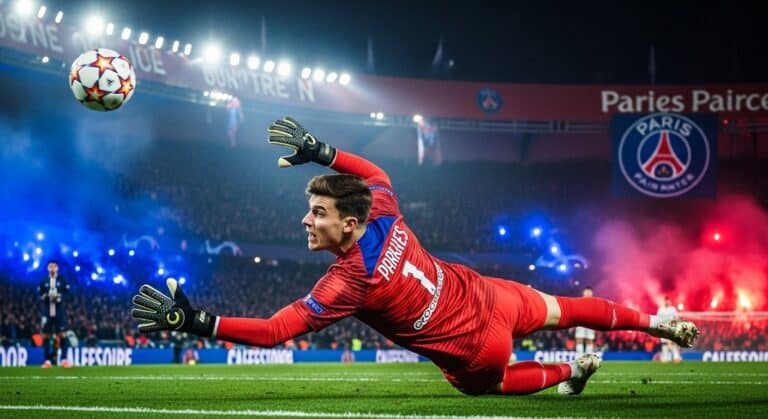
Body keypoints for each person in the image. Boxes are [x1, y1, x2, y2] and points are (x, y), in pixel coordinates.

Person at [131, 117, 699, 396]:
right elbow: (376, 172)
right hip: (490, 295)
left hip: (476, 348)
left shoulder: (346, 282)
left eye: (317, 212)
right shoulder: (382, 211)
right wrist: (321, 152)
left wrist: (197, 322)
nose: (305, 219)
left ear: (347, 224)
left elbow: (276, 331)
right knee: (569, 308)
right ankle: (658, 323)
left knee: (485, 387)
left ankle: (572, 371)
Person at [39, 260, 72, 368]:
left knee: (62, 334)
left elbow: (68, 293)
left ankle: (64, 360)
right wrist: (45, 297)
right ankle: (47, 361)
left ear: (57, 268)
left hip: (59, 311)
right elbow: (39, 294)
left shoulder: (62, 280)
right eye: (50, 266)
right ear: (48, 268)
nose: (52, 268)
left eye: (54, 266)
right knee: (46, 335)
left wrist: (59, 297)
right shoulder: (44, 281)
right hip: (47, 311)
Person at [657, 296, 682, 363]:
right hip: (663, 329)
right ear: (664, 301)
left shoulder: (672, 309)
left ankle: (676, 357)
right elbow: (658, 319)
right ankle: (665, 358)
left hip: (671, 328)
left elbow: (676, 318)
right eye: (666, 301)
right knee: (664, 344)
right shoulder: (660, 309)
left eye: (668, 301)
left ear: (670, 301)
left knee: (673, 343)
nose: (667, 302)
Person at [574, 287, 596, 355]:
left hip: (591, 322)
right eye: (586, 292)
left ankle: (588, 358)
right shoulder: (579, 301)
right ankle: (580, 358)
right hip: (580, 322)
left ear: (592, 293)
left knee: (589, 340)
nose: (588, 293)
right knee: (579, 339)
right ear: (583, 293)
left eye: (589, 292)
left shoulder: (595, 302)